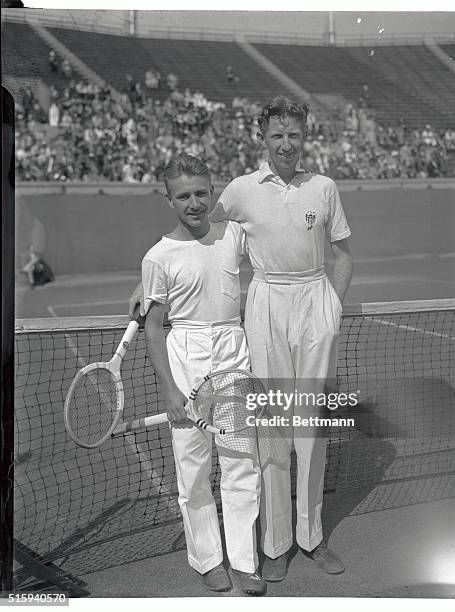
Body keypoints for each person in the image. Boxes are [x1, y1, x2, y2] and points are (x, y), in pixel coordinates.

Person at [130, 96, 353, 582]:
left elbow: (342, 254)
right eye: (277, 135)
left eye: (294, 134)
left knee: (310, 428)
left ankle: (310, 538)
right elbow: (192, 228)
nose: (286, 144)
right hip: (265, 306)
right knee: (271, 430)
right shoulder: (239, 190)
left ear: (304, 136)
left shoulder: (325, 187)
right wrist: (147, 287)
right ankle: (274, 545)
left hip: (314, 301)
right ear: (263, 137)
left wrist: (331, 308)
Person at [141, 154, 265, 596]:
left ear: (212, 192)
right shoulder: (158, 256)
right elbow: (154, 328)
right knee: (193, 473)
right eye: (183, 195)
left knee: (240, 465)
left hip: (233, 354)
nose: (194, 203)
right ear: (168, 199)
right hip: (185, 359)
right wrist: (170, 389)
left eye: (201, 193)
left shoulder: (232, 234)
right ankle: (209, 560)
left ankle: (246, 561)